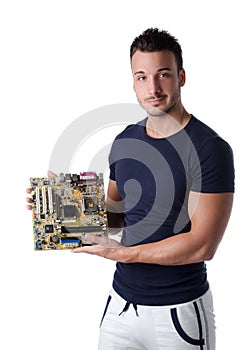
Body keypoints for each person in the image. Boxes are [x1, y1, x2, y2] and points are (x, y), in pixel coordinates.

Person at [26, 28, 235, 349]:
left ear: (181, 76)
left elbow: (202, 245)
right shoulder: (126, 140)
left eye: (162, 75)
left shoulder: (209, 148)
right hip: (120, 308)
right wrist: (62, 206)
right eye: (141, 77)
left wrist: (124, 254)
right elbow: (117, 215)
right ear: (133, 82)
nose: (152, 87)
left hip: (178, 313)